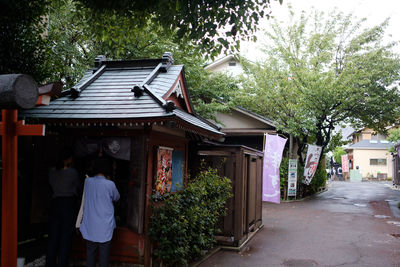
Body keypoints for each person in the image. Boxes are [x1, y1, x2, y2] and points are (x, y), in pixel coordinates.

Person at [79, 157, 120, 267]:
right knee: (104, 260)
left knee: (90, 258)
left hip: (90, 226)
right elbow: (117, 197)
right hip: (105, 227)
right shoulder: (110, 184)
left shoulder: (87, 182)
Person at [46, 150, 80, 267]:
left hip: (55, 203)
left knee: (53, 236)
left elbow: (51, 185)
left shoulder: (51, 171)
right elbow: (77, 186)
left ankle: (49, 263)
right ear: (69, 159)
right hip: (68, 204)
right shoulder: (73, 172)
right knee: (65, 236)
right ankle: (62, 263)